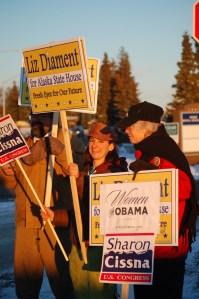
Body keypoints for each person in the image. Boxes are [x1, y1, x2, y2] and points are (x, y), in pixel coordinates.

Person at [115, 101, 199, 299]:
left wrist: (151, 174)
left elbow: (184, 188)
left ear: (145, 127)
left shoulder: (163, 150)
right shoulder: (146, 150)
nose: (126, 130)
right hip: (146, 245)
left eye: (130, 126)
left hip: (167, 247)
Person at [0, 111, 85, 299]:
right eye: (33, 118)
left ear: (53, 118)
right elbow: (12, 184)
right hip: (26, 223)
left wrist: (60, 151)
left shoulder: (70, 142)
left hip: (55, 223)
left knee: (63, 282)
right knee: (25, 285)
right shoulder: (21, 146)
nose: (36, 121)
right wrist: (6, 171)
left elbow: (77, 169)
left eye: (42, 117)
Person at [41, 122, 128, 299]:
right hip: (78, 244)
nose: (95, 145)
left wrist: (78, 178)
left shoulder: (115, 173)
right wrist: (55, 216)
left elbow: (99, 205)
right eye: (92, 140)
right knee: (81, 294)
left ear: (111, 146)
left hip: (101, 247)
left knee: (99, 294)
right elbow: (81, 212)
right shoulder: (88, 170)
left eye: (101, 141)